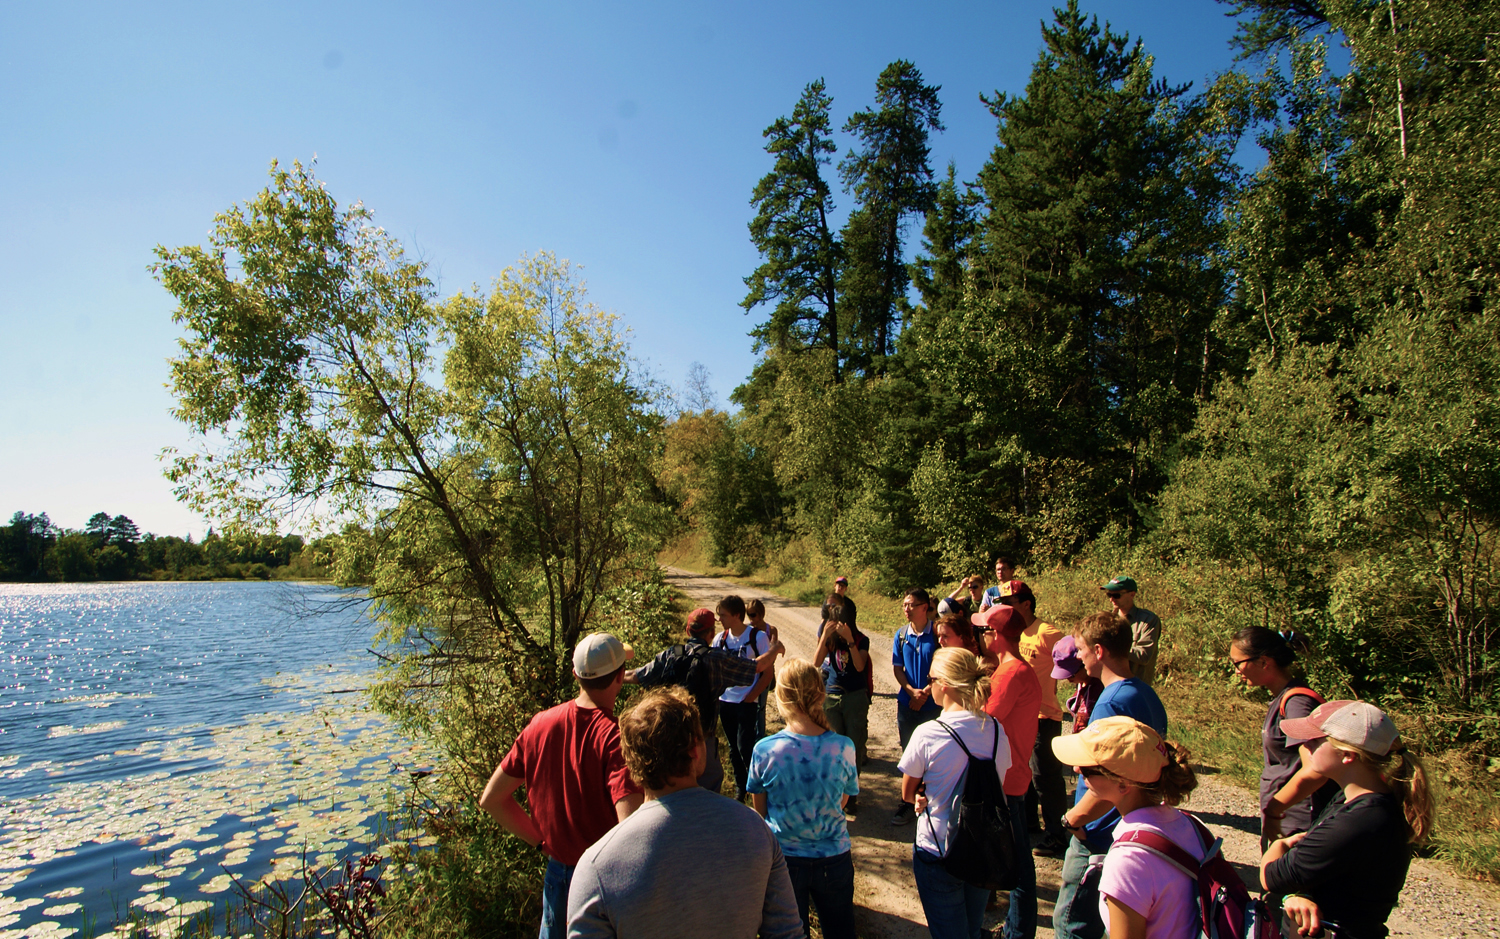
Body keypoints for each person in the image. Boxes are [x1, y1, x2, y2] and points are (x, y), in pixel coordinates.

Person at [566, 688, 804, 939]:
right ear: (696, 751)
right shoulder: (755, 831)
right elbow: (787, 933)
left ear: (631, 760)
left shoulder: (597, 867)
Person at [478, 633, 644, 939]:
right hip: (602, 881)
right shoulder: (615, 739)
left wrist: (541, 843)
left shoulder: (539, 724)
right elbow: (631, 829)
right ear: (620, 678)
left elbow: (492, 799)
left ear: (575, 675)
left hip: (558, 873)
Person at [1260, 700, 1434, 939]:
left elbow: (1271, 876)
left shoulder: (1360, 820)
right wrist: (1299, 894)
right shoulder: (1352, 799)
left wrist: (1280, 844)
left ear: (1347, 755)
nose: (1305, 745)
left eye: (1315, 740)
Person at [1053, 612, 1168, 939]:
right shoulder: (1146, 693)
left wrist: (1074, 819)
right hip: (1131, 825)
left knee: (1070, 924)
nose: (1078, 657)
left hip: (1098, 835)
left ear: (1099, 651)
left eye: (1080, 649)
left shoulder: (1109, 704)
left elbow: (1106, 783)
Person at [1051, 716, 1202, 939]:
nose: (1076, 769)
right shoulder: (1191, 826)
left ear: (1122, 784)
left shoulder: (1128, 860)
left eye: (1086, 768)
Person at [897, 647, 1011, 939]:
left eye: (931, 678)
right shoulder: (997, 729)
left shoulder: (928, 733)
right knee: (971, 930)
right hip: (981, 847)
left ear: (944, 685)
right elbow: (1000, 780)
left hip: (939, 849)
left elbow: (908, 792)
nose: (927, 683)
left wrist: (921, 795)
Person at [747, 658, 860, 939]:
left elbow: (760, 810)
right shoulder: (843, 746)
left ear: (781, 697)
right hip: (834, 858)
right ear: (821, 695)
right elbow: (843, 800)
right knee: (841, 931)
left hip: (784, 860)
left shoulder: (765, 750)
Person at [627, 607, 783, 793]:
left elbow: (636, 676)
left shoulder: (671, 654)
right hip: (703, 742)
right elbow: (757, 667)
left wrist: (605, 673)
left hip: (669, 741)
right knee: (709, 792)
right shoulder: (716, 659)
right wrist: (774, 649)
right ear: (711, 634)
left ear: (687, 631)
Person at [1229, 626, 1338, 848]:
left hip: (1297, 823)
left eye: (1237, 663)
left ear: (1264, 662)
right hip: (1287, 818)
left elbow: (1316, 769)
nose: (1236, 671)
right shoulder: (1283, 699)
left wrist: (1276, 807)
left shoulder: (1297, 704)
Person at [973, 604, 1043, 939]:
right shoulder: (1010, 669)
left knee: (1018, 865)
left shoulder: (1009, 674)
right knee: (1014, 858)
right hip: (1011, 775)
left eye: (984, 630)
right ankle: (1016, 927)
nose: (981, 635)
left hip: (1008, 780)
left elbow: (981, 721)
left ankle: (1018, 933)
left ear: (996, 634)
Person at [1003, 580, 1068, 852]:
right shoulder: (1013, 632)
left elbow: (1074, 660)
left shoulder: (1048, 633)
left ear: (1026, 603)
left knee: (1046, 777)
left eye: (1010, 603)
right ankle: (1030, 824)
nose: (1005, 608)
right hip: (1019, 717)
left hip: (1045, 716)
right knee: (1021, 770)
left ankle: (1058, 835)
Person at [714, 594, 775, 801]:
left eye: (723, 615)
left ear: (736, 615)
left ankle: (757, 787)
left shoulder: (757, 638)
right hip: (726, 702)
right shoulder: (719, 639)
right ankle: (742, 789)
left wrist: (751, 698)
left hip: (746, 702)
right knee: (733, 748)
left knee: (745, 747)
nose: (719, 618)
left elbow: (768, 673)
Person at [814, 593, 871, 812]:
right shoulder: (829, 640)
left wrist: (849, 641)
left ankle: (852, 792)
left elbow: (859, 666)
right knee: (834, 747)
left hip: (855, 697)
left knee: (854, 746)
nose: (834, 624)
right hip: (832, 696)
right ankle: (837, 792)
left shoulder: (861, 639)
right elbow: (817, 662)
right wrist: (824, 637)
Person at [892, 588, 941, 825]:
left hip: (933, 705)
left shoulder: (938, 635)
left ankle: (931, 801)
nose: (906, 609)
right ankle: (907, 802)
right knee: (909, 753)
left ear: (925, 607)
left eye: (910, 605)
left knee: (933, 755)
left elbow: (943, 669)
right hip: (907, 704)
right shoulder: (901, 635)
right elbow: (897, 668)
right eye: (904, 605)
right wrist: (911, 691)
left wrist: (925, 693)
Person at [1100, 576, 1164, 687]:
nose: (1112, 599)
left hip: (1136, 686)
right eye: (1109, 595)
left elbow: (1144, 656)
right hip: (1109, 685)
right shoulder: (1106, 620)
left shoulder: (1148, 620)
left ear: (1132, 594)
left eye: (1116, 595)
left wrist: (1114, 648)